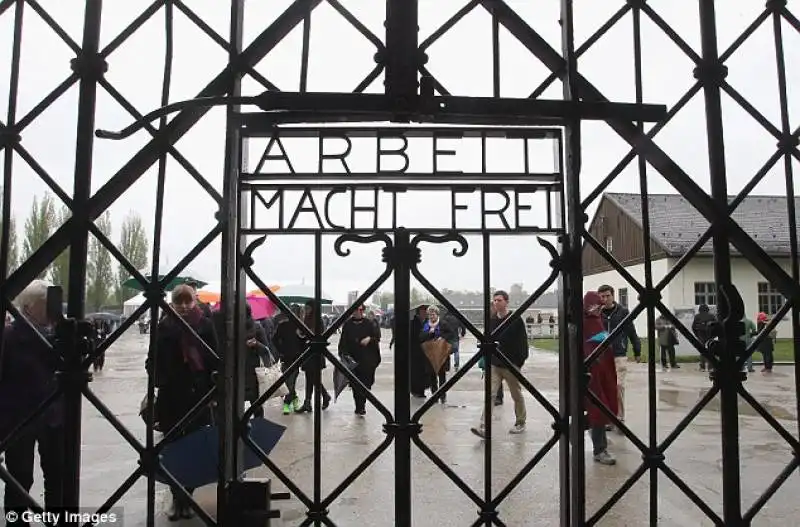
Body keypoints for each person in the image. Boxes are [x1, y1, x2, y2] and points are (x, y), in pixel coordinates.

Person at [148, 284, 218, 521]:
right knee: (173, 448)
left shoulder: (205, 325)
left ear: (195, 302)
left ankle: (186, 496)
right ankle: (177, 497)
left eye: (188, 302)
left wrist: (213, 391)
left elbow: (216, 360)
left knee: (195, 447)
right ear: (173, 303)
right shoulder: (164, 326)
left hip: (198, 396)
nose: (185, 306)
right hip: (172, 397)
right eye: (180, 302)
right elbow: (152, 361)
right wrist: (161, 377)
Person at [0, 280, 64, 523]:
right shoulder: (10, 336)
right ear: (27, 307)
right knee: (20, 480)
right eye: (45, 304)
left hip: (54, 418)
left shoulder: (58, 335)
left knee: (57, 477)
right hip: (19, 420)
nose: (51, 309)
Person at [471, 290, 528, 438]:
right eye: (494, 300)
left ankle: (520, 421)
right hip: (495, 364)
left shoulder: (515, 319)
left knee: (516, 394)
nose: (496, 303)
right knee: (490, 395)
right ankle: (484, 426)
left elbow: (522, 343)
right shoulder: (492, 320)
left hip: (511, 364)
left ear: (506, 302)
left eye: (499, 300)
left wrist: (519, 362)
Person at [582, 291, 619, 465]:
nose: (598, 308)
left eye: (599, 305)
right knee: (596, 409)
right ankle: (600, 449)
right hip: (590, 375)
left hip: (602, 372)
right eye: (595, 305)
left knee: (599, 408)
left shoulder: (597, 321)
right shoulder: (584, 323)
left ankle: (598, 444)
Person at [597, 285, 641, 428]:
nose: (605, 299)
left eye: (607, 296)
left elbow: (631, 332)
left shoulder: (622, 312)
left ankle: (619, 416)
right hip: (602, 356)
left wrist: (637, 351)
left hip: (619, 354)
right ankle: (608, 417)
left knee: (618, 385)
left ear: (613, 296)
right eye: (602, 296)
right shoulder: (597, 313)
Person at [339, 304, 382, 415]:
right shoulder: (348, 324)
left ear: (362, 311)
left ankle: (362, 402)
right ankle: (359, 406)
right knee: (355, 384)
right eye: (355, 310)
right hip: (353, 360)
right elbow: (343, 341)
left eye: (359, 310)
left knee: (366, 383)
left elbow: (376, 337)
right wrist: (345, 355)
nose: (357, 312)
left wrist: (369, 339)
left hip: (367, 359)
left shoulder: (368, 323)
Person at [297, 301, 331, 413]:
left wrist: (305, 333)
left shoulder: (318, 320)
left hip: (316, 354)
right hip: (307, 352)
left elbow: (318, 335)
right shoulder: (305, 319)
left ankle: (317, 398)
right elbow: (301, 334)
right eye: (305, 308)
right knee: (310, 378)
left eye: (308, 308)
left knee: (314, 379)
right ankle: (309, 402)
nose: (306, 310)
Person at [419, 305, 456, 404]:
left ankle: (443, 395)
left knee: (442, 375)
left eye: (433, 314)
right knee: (432, 376)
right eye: (430, 314)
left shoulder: (443, 323)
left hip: (441, 353)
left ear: (437, 314)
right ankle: (434, 395)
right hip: (430, 354)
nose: (431, 316)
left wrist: (442, 337)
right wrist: (430, 333)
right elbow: (421, 337)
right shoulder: (426, 324)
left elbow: (451, 334)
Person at [273, 305, 303, 415]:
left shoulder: (301, 327)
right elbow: (274, 339)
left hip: (296, 357)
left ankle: (287, 403)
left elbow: (304, 342)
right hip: (287, 357)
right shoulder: (283, 325)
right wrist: (281, 350)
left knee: (291, 381)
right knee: (288, 381)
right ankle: (294, 399)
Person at [410, 305, 432, 398]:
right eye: (422, 312)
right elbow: (413, 336)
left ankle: (422, 390)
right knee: (416, 371)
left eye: (425, 312)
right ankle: (415, 390)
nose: (424, 314)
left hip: (426, 351)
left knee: (424, 372)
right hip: (415, 351)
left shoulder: (428, 323)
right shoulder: (413, 323)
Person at [692, 304, 716, 371]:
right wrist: (713, 336)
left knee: (702, 351)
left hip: (701, 336)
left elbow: (693, 327)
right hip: (710, 336)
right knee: (710, 351)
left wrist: (697, 335)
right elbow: (716, 326)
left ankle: (702, 367)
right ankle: (710, 367)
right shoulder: (711, 316)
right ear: (707, 309)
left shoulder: (697, 316)